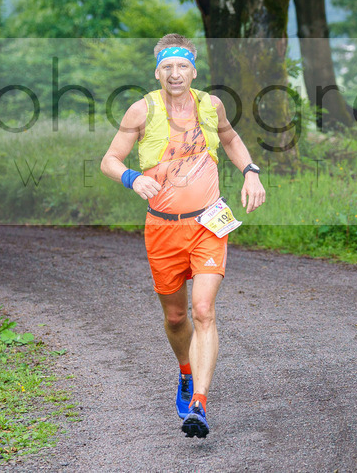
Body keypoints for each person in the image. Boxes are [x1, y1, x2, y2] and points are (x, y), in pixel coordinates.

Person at [100, 33, 265, 439]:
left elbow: (229, 137)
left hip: (209, 222)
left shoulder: (211, 105)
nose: (175, 74)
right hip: (162, 229)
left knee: (204, 310)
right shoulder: (142, 110)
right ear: (157, 72)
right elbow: (109, 159)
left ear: (194, 70)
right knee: (176, 317)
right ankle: (186, 372)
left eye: (183, 66)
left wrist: (251, 172)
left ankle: (200, 404)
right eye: (167, 67)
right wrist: (131, 177)